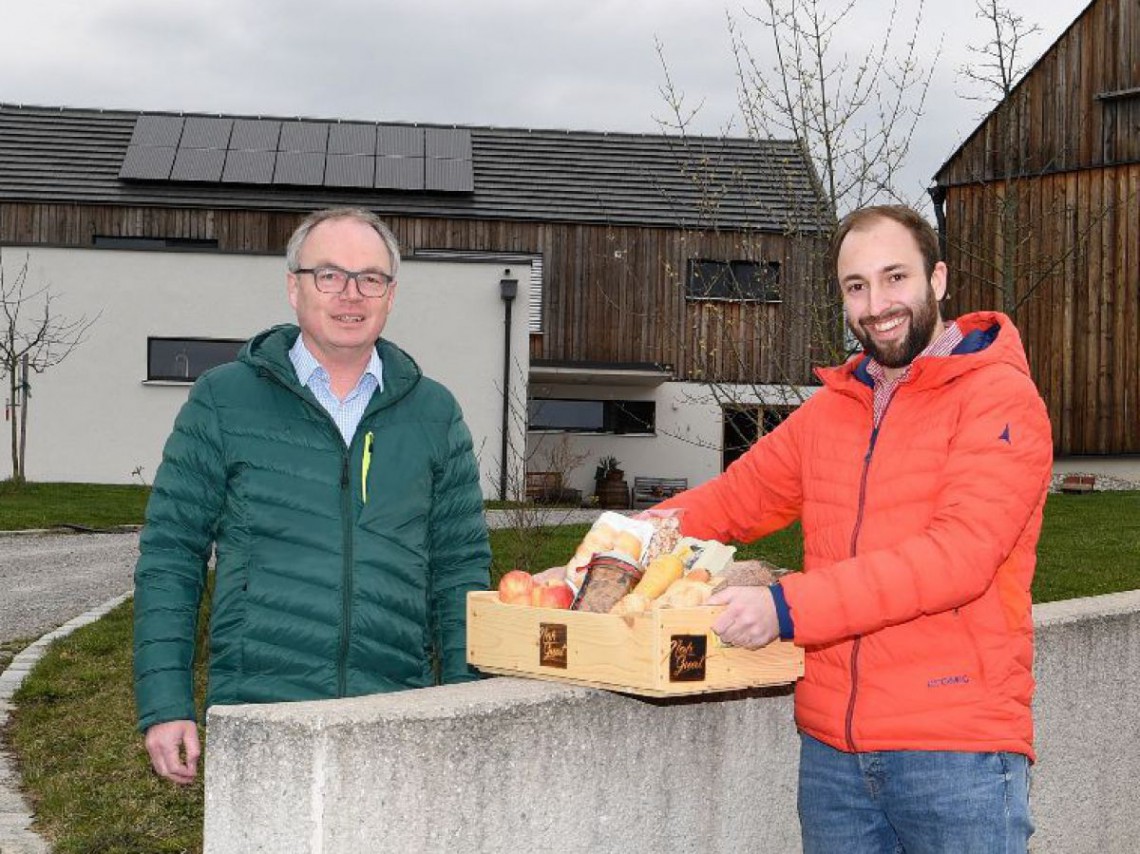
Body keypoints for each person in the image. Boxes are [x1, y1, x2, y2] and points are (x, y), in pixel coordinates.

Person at [657, 204, 1052, 852]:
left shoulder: (999, 399)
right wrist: (617, 543)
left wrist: (784, 609)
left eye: (895, 278)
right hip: (834, 758)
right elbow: (732, 499)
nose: (878, 303)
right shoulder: (833, 411)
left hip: (955, 752)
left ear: (939, 279)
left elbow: (956, 558)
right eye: (857, 286)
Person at [133, 207, 490, 785]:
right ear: (294, 287)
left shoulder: (435, 413)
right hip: (264, 712)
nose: (351, 294)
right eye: (329, 275)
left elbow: (460, 571)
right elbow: (171, 556)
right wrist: (165, 701)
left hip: (395, 715)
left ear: (390, 295)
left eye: (370, 278)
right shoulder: (223, 400)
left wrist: (468, 706)